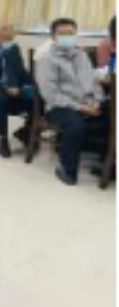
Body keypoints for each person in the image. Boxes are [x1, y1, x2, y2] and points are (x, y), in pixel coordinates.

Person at [36, 18, 108, 186]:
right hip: (59, 107)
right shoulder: (47, 60)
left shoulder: (82, 56)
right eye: (62, 33)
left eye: (70, 33)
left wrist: (97, 101)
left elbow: (94, 82)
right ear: (53, 37)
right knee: (75, 123)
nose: (67, 37)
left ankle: (107, 164)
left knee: (112, 113)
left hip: (87, 104)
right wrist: (81, 107)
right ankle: (67, 170)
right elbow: (50, 95)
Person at [0, 26, 33, 158]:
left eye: (10, 39)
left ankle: (26, 131)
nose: (7, 42)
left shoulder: (13, 49)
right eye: (4, 39)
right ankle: (3, 138)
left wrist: (31, 83)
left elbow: (20, 70)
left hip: (14, 86)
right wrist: (5, 88)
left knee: (36, 96)